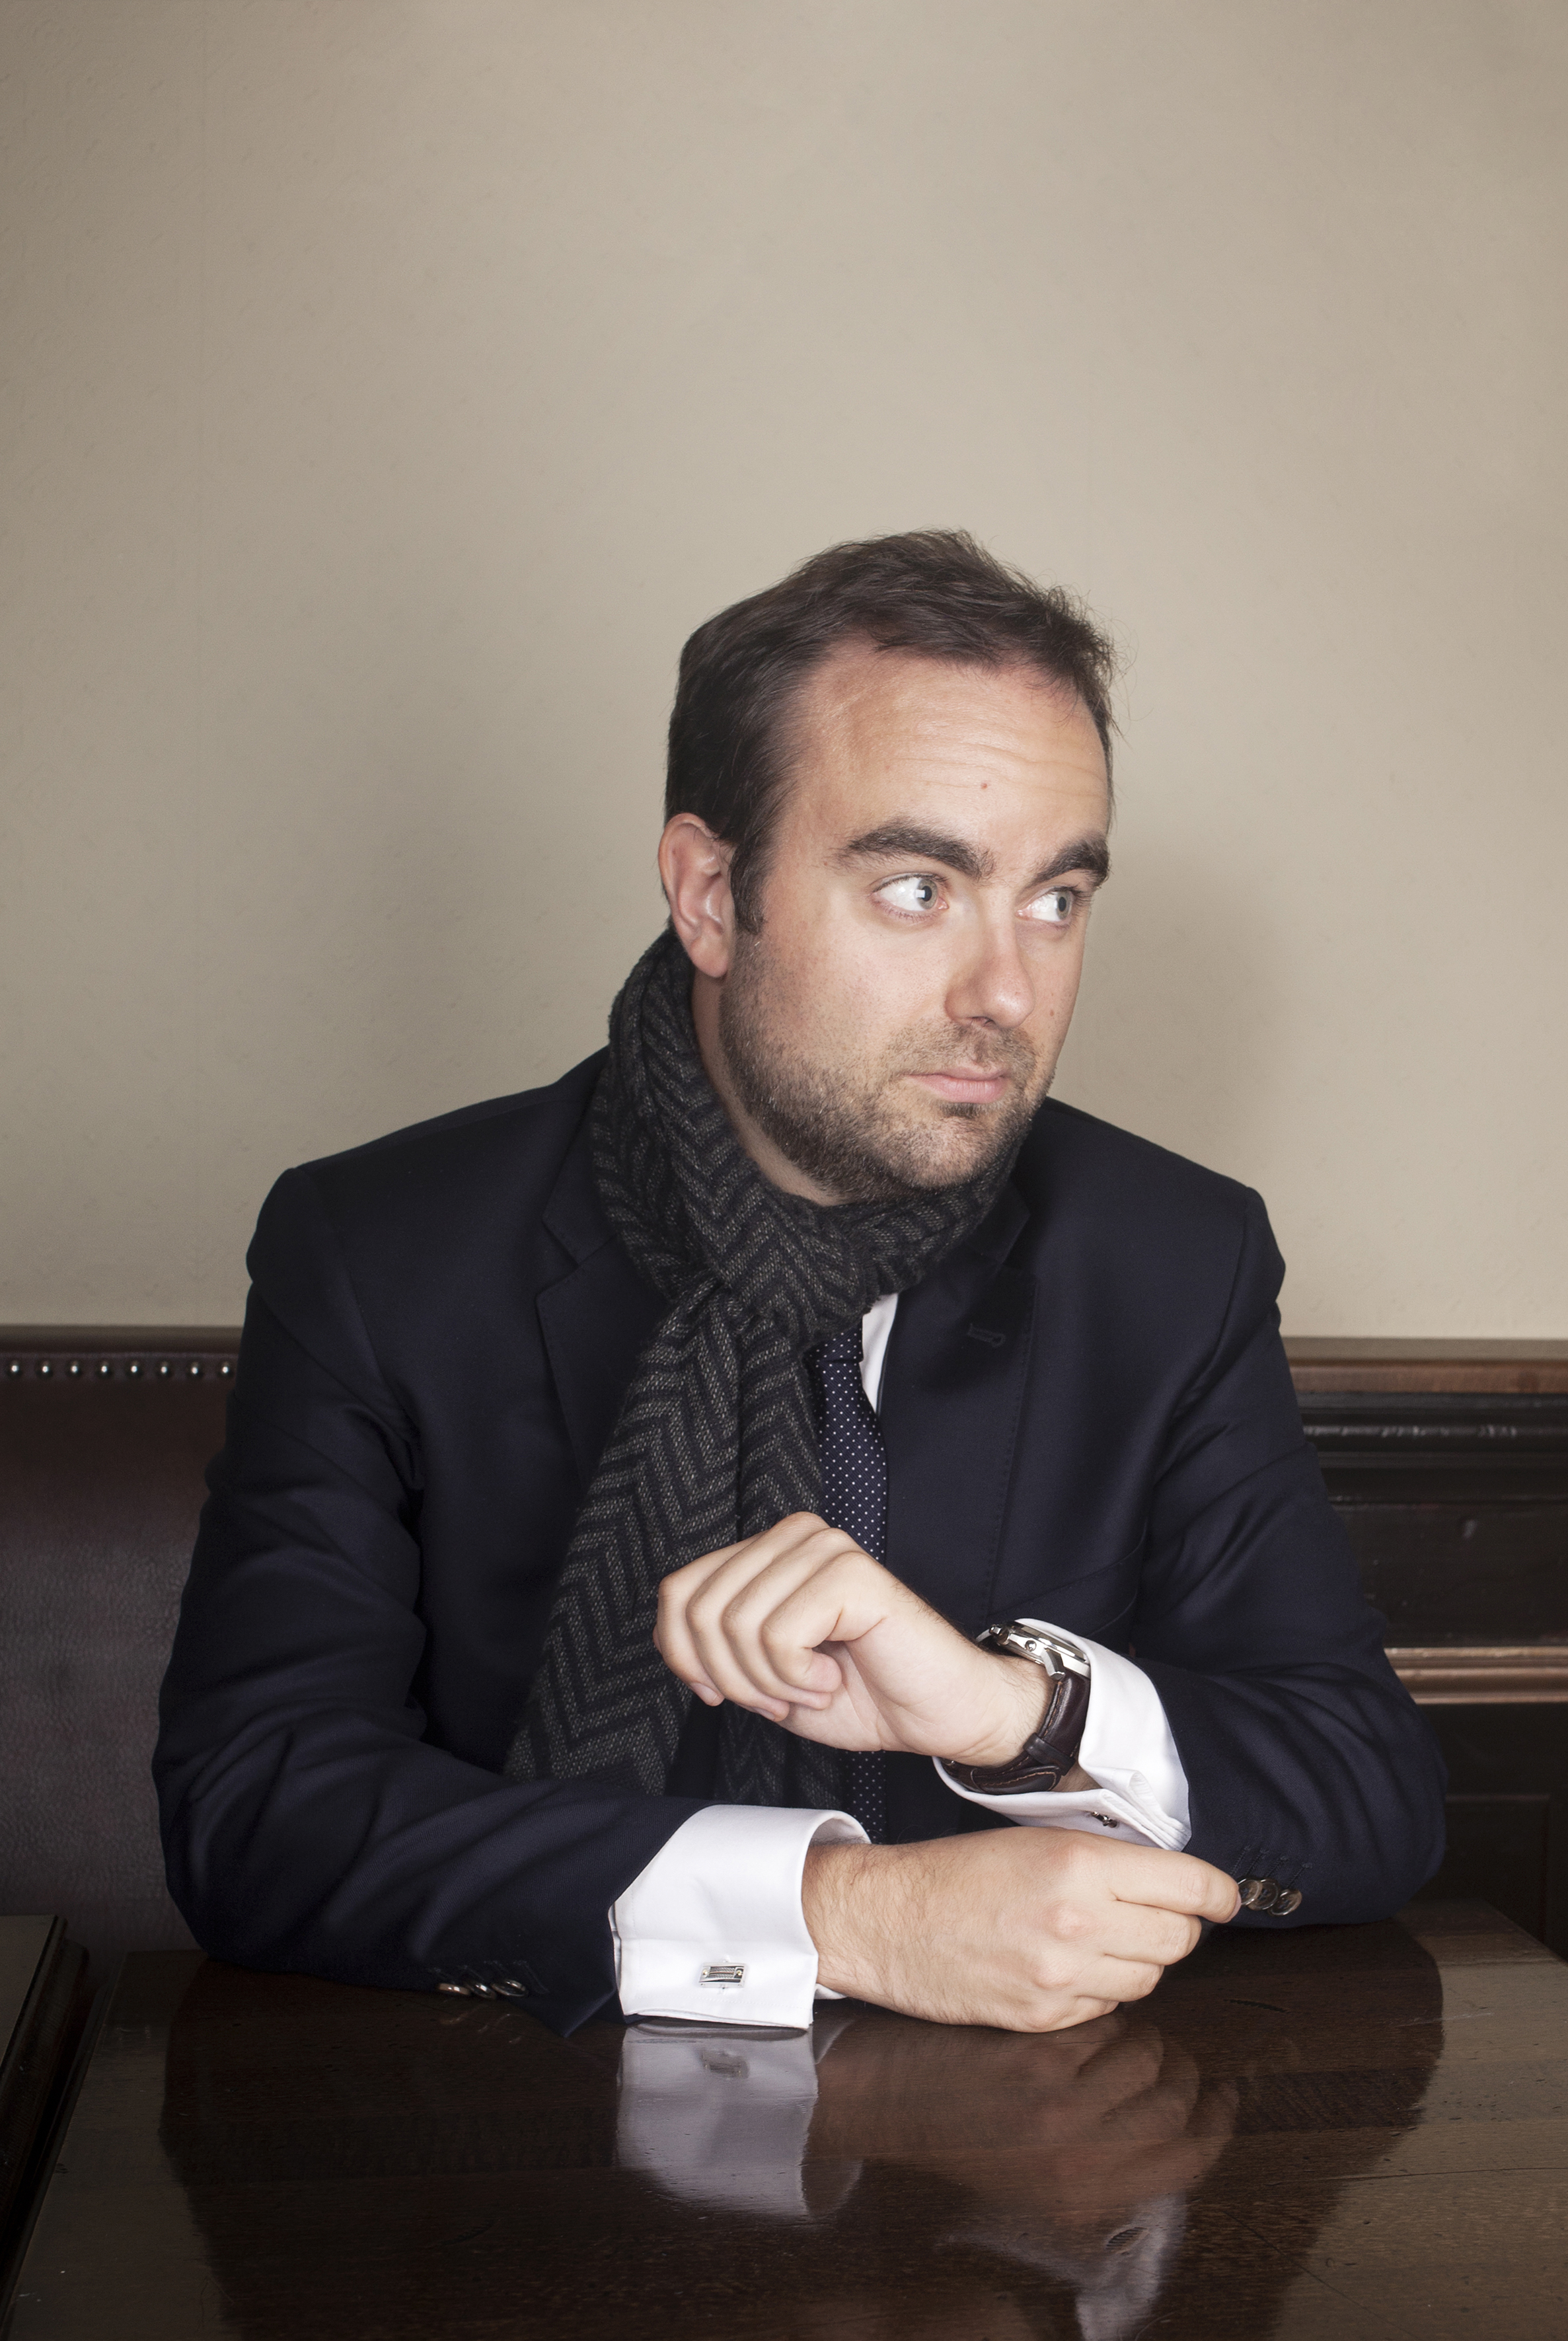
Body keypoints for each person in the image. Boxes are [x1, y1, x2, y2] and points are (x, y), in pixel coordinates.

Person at [155, 530, 1445, 2040]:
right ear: (711, 892)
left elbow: (1369, 1793)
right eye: (916, 887)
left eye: (1055, 898)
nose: (1005, 992)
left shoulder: (1169, 1257)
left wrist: (1013, 1712)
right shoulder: (384, 1250)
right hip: (507, 2129)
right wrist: (836, 1911)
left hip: (1025, 2150)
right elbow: (256, 1807)